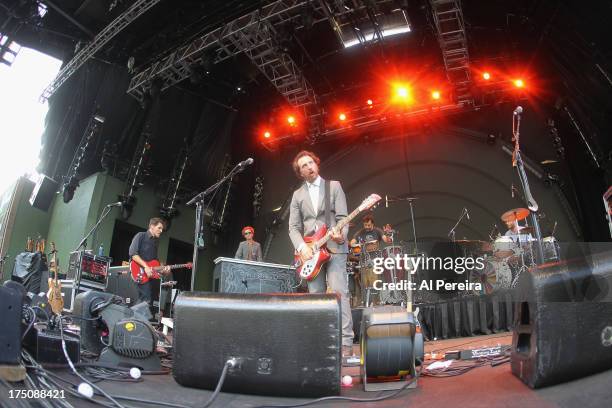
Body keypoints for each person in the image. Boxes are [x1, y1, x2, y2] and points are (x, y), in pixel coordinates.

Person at [288, 150, 354, 357]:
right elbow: (293, 228)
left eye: (311, 162)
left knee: (338, 293)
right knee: (316, 298)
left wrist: (341, 236)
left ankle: (345, 344)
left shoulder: (333, 186)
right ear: (300, 172)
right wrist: (302, 248)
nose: (309, 166)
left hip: (334, 248)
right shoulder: (297, 195)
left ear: (316, 164)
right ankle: (320, 343)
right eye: (304, 165)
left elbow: (343, 217)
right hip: (310, 252)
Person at [128, 217, 170, 308]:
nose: (161, 231)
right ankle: (135, 320)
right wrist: (146, 267)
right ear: (151, 226)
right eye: (159, 228)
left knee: (148, 301)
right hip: (139, 271)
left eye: (162, 229)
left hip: (149, 275)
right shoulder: (141, 235)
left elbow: (154, 262)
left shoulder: (155, 242)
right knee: (146, 299)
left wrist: (163, 270)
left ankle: (136, 319)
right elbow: (133, 254)